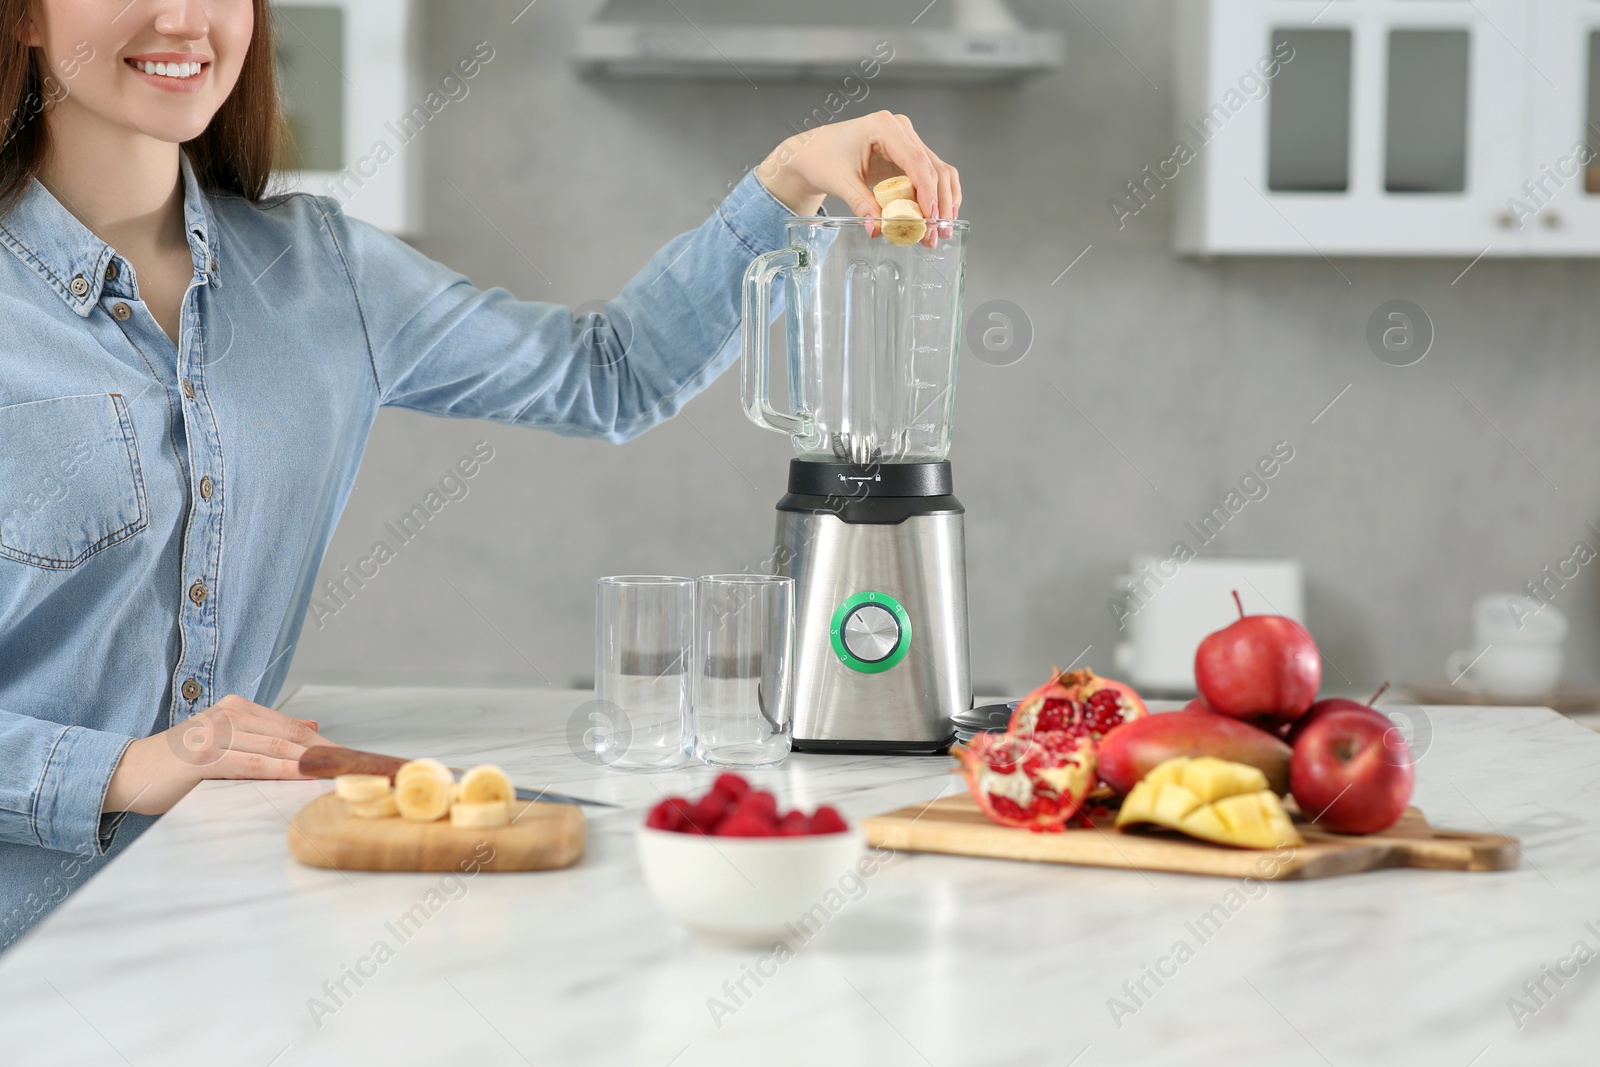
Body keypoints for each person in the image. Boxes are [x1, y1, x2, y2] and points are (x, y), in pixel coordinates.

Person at [0, 0, 961, 947]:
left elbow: (610, 375)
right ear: (24, 19)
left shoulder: (321, 274)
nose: (183, 16)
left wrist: (789, 180)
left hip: (225, 909)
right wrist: (122, 768)